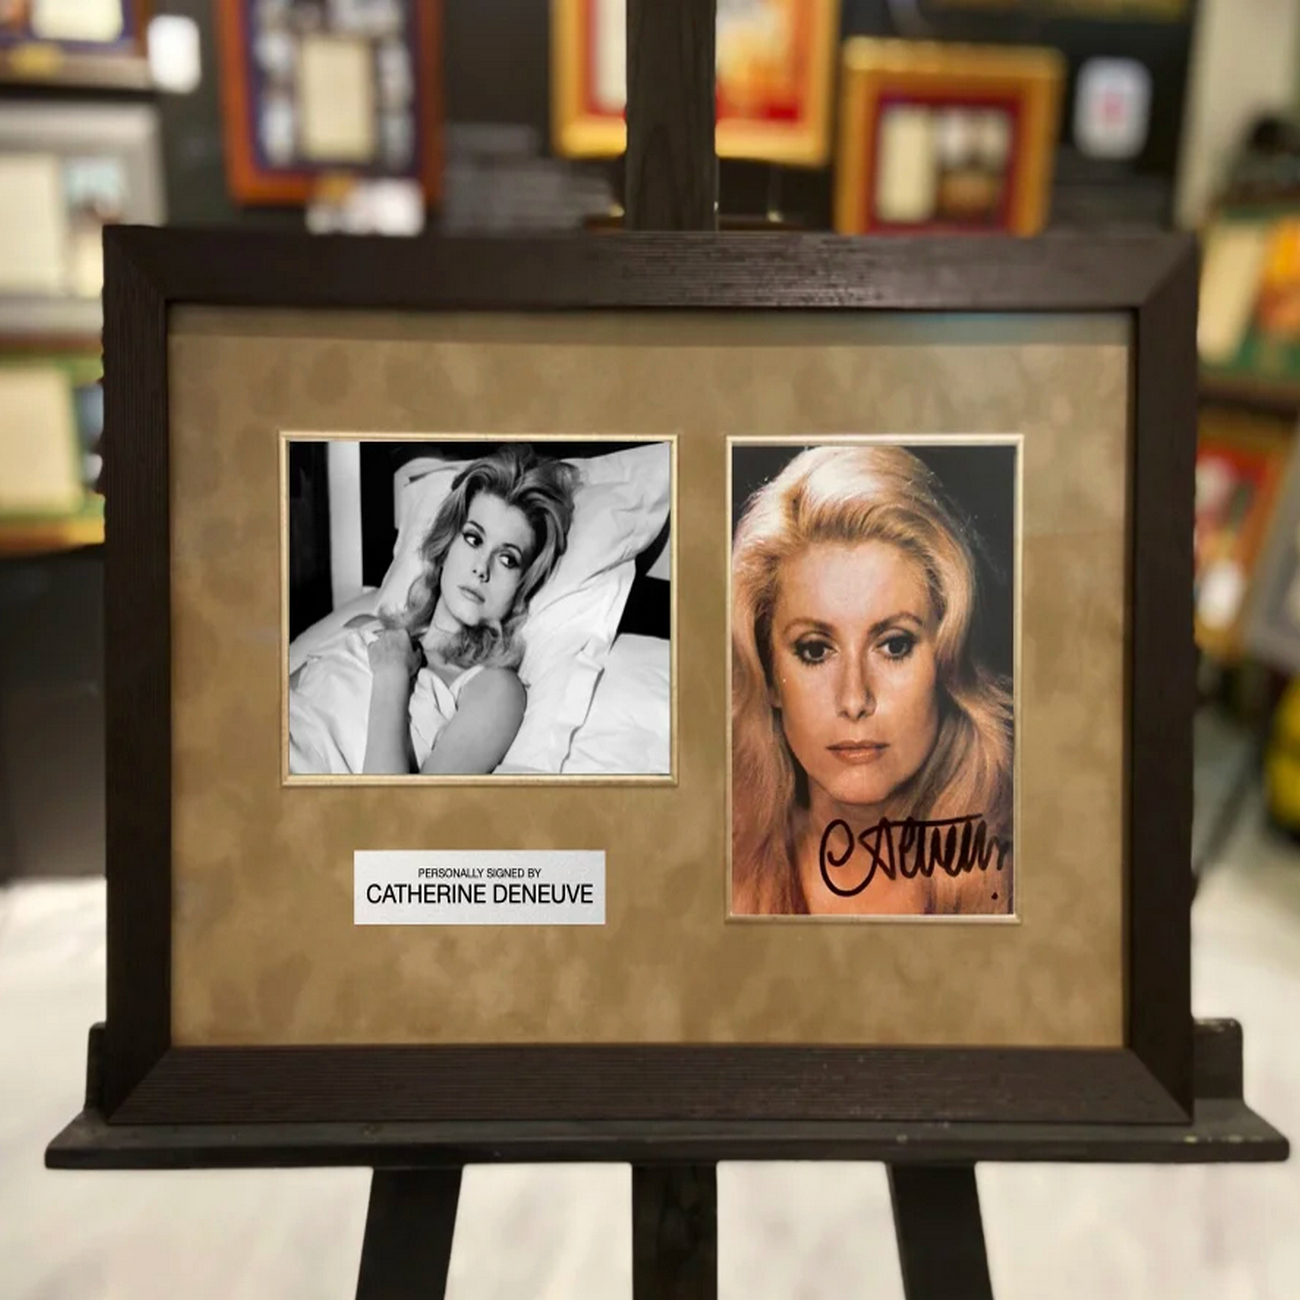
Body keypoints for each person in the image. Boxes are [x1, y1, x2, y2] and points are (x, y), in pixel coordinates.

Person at [730, 443, 1014, 917]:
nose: (855, 698)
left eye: (894, 645)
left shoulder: (1027, 875)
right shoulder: (711, 876)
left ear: (948, 660)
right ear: (769, 676)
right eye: (815, 650)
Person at [353, 444, 577, 775]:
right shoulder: (361, 627)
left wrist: (392, 675)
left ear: (522, 588)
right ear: (446, 544)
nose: (481, 569)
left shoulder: (493, 691)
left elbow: (393, 807)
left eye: (507, 559)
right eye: (474, 539)